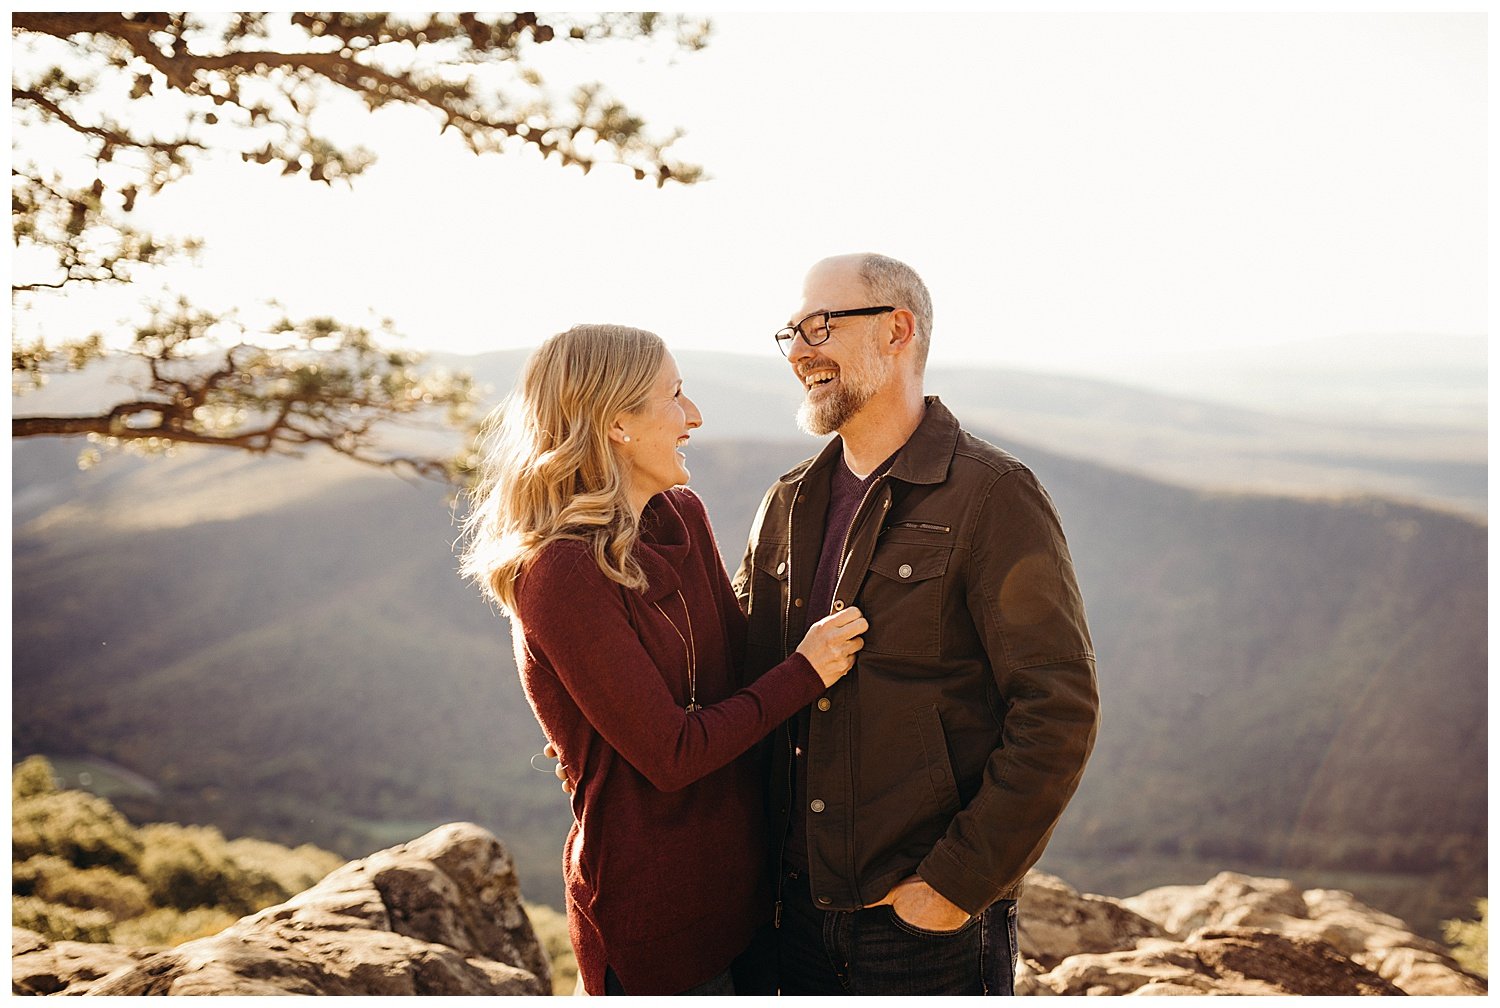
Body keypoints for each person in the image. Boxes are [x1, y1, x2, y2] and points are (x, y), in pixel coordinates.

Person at [459, 324, 868, 997]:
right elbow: (671, 755)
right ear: (617, 422)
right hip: (658, 918)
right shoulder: (560, 570)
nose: (696, 417)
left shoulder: (682, 515)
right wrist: (808, 669)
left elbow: (742, 672)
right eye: (675, 396)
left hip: (753, 892)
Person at [732, 254, 1100, 996]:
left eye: (821, 325)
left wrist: (952, 889)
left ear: (897, 331)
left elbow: (1056, 709)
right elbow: (741, 671)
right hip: (788, 918)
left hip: (921, 937)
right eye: (791, 332)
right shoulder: (789, 503)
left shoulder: (992, 496)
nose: (800, 348)